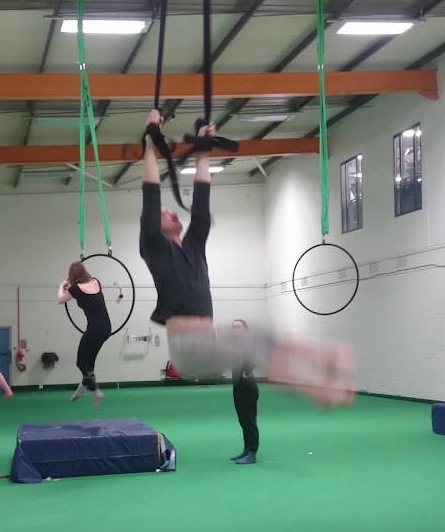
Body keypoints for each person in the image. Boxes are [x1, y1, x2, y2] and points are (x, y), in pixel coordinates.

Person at [139, 109, 356, 406]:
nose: (170, 211)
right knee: (254, 339)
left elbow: (201, 199)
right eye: (164, 212)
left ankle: (321, 373)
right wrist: (150, 138)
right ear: (154, 225)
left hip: (207, 342)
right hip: (188, 349)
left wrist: (203, 149)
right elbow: (150, 192)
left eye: (171, 210)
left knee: (263, 335)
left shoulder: (193, 248)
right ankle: (319, 377)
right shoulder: (154, 247)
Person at [57, 262, 111, 406]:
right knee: (89, 362)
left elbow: (60, 300)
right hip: (106, 328)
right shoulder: (96, 282)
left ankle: (95, 390)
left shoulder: (74, 289)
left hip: (94, 329)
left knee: (81, 362)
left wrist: (61, 286)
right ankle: (82, 388)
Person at [230, 319, 259, 465]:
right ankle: (246, 450)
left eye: (239, 327)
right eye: (233, 327)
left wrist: (248, 371)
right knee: (243, 421)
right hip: (238, 388)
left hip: (248, 389)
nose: (236, 330)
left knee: (249, 421)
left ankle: (252, 453)